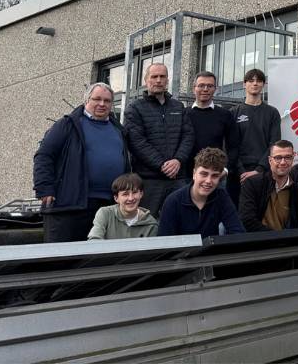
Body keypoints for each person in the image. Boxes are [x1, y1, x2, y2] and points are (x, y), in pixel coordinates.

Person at [33, 82, 129, 242]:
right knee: (63, 258)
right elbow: (44, 156)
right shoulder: (68, 125)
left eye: (107, 101)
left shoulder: (118, 129)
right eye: (97, 99)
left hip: (108, 205)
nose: (102, 104)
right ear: (86, 100)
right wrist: (44, 188)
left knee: (98, 259)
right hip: (70, 205)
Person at [124, 63, 194, 217]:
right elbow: (137, 142)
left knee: (183, 222)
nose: (158, 80)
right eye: (154, 76)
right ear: (146, 80)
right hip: (149, 180)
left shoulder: (178, 107)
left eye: (162, 76)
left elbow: (188, 136)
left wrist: (178, 160)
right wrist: (162, 165)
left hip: (178, 178)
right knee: (147, 224)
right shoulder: (134, 108)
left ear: (167, 80)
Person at [158, 147, 244, 237]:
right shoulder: (173, 201)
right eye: (204, 174)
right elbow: (164, 242)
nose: (208, 181)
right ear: (194, 174)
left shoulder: (221, 196)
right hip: (181, 250)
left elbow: (238, 232)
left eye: (214, 176)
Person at [239, 139, 298, 232]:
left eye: (288, 157)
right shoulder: (252, 183)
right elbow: (247, 220)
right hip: (259, 242)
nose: (283, 162)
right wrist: (276, 238)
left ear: (293, 159)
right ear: (270, 160)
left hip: (289, 244)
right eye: (278, 158)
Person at [186, 71, 240, 180]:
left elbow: (234, 146)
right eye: (201, 85)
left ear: (215, 89)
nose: (205, 89)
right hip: (185, 175)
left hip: (215, 175)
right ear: (193, 88)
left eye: (210, 86)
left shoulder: (225, 115)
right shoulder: (184, 114)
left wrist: (226, 169)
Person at [235, 68, 283, 183]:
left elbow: (274, 144)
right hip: (238, 174)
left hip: (265, 171)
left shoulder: (272, 112)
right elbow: (230, 145)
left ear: (264, 85)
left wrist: (259, 169)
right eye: (251, 81)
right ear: (244, 84)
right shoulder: (233, 112)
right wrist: (240, 170)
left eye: (259, 81)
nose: (255, 83)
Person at [88, 173, 159, 239]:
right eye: (125, 194)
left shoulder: (151, 224)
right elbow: (94, 240)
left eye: (134, 192)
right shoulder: (105, 214)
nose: (131, 198)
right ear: (116, 198)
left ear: (141, 194)